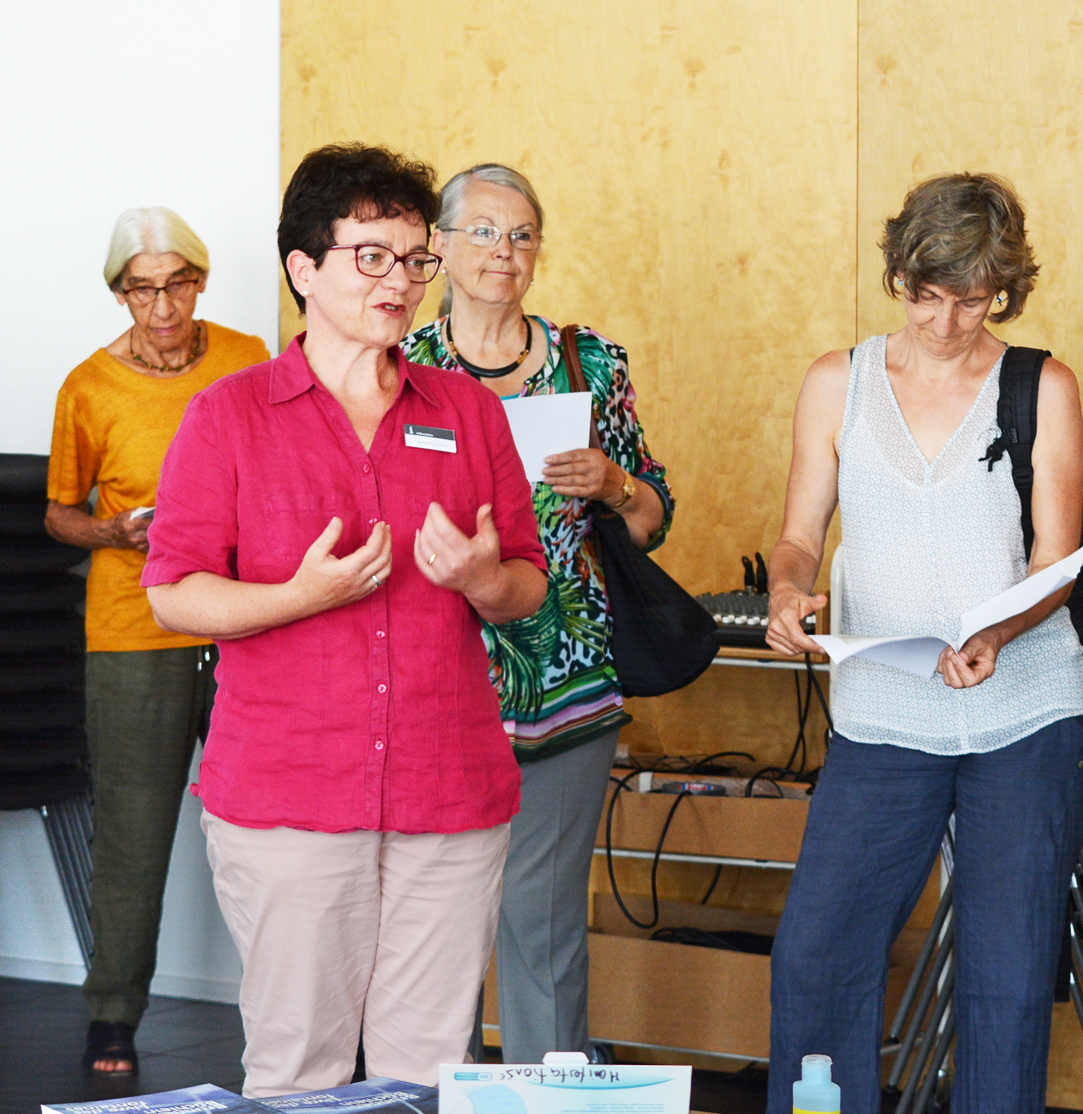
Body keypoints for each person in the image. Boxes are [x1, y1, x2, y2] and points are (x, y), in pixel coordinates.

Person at [141, 144, 547, 1096]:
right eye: (371, 254)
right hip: (290, 796)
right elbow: (171, 593)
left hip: (448, 793)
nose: (399, 281)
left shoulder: (467, 412)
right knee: (299, 1066)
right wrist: (298, 598)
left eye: (415, 259)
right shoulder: (226, 417)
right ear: (303, 269)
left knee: (426, 1073)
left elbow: (527, 583)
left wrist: (485, 581)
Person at [764, 173, 1083, 1114]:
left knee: (1008, 980)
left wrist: (998, 628)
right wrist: (790, 589)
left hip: (1026, 711)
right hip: (882, 709)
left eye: (973, 299)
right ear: (898, 273)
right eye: (928, 294)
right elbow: (798, 535)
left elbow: (1058, 559)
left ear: (1005, 289)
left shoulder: (1042, 385)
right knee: (819, 955)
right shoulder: (840, 381)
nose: (947, 322)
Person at [401, 163, 672, 1063]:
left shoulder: (591, 361)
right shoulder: (397, 364)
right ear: (436, 246)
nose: (501, 253)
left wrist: (617, 482)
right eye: (481, 231)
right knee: (425, 925)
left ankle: (545, 1094)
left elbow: (651, 519)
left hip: (565, 677)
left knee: (543, 923)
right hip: (429, 677)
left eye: (520, 235)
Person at [46, 207, 270, 1075]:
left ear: (201, 281)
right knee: (134, 831)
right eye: (143, 288)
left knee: (276, 828)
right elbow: (60, 513)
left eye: (178, 282)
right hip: (134, 631)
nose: (164, 304)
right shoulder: (87, 387)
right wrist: (116, 533)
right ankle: (112, 1016)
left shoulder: (252, 358)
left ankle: (297, 1008)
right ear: (119, 294)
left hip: (246, 619)